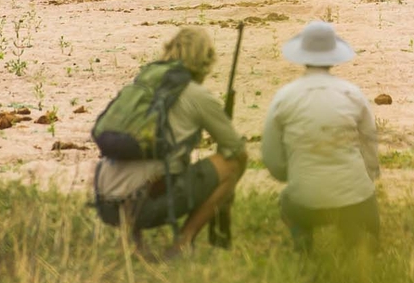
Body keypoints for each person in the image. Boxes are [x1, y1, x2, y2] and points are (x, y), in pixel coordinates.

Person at [93, 27, 247, 258]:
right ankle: (182, 243)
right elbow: (236, 149)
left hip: (105, 203)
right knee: (232, 163)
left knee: (146, 162)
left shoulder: (142, 84)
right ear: (205, 60)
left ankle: (132, 242)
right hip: (143, 205)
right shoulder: (196, 95)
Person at [261, 20, 381, 248]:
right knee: (362, 207)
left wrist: (292, 175)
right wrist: (369, 177)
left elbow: (271, 156)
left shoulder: (284, 97)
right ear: (333, 57)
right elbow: (370, 149)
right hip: (354, 201)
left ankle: (303, 241)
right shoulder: (353, 94)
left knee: (287, 201)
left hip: (305, 199)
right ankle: (362, 239)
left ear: (302, 55)